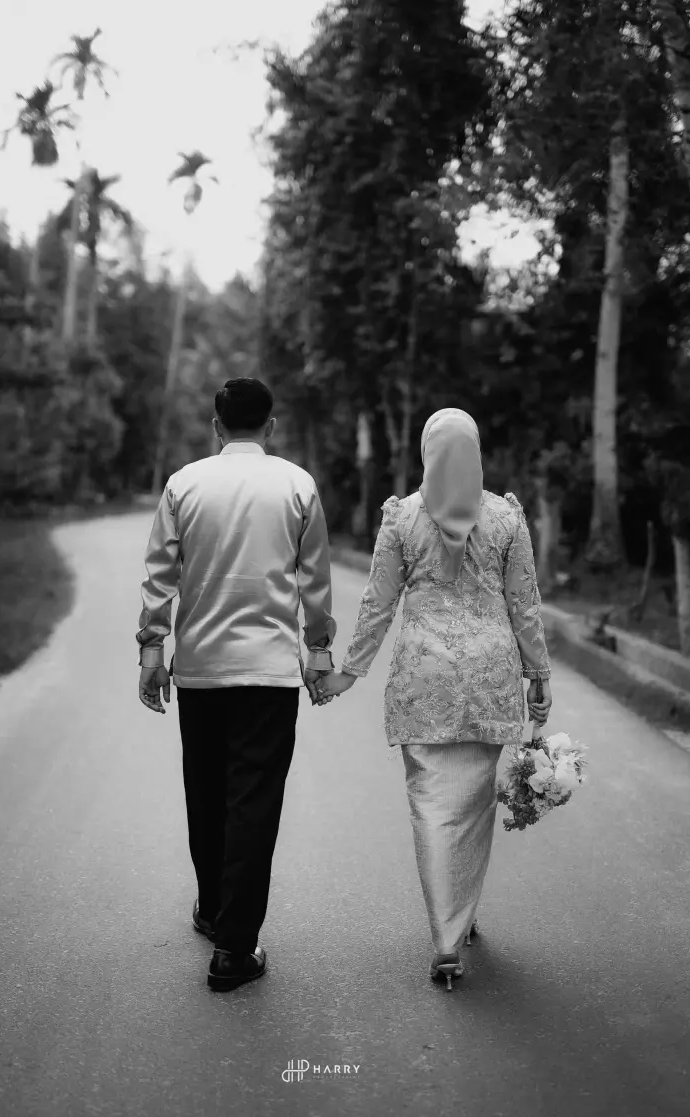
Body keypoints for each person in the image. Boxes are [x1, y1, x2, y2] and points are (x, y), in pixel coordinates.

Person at [318, 408, 552, 989]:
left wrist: (349, 672)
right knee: (473, 806)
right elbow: (524, 605)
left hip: (424, 683)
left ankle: (446, 937)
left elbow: (378, 604)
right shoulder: (506, 518)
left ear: (428, 455)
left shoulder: (402, 518)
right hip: (490, 682)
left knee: (431, 807)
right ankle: (457, 922)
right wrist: (538, 675)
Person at [136, 378, 336, 992]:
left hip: (200, 671)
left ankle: (212, 909)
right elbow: (314, 581)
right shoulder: (298, 485)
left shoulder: (183, 484)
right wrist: (319, 651)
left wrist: (152, 650)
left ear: (217, 426)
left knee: (205, 793)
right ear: (270, 426)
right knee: (254, 802)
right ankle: (234, 947)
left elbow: (159, 575)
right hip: (269, 676)